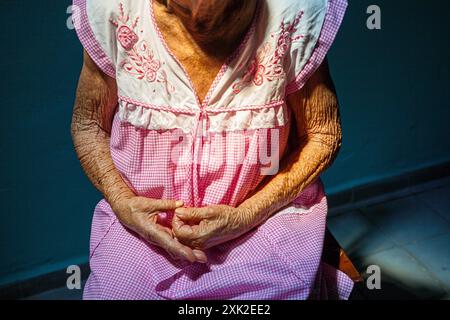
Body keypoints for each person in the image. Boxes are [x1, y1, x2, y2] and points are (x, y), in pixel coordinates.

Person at [71, 0, 352, 299]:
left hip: (263, 221)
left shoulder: (294, 13)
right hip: (143, 228)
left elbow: (323, 135)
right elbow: (88, 124)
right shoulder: (113, 10)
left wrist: (246, 215)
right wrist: (123, 202)